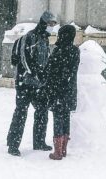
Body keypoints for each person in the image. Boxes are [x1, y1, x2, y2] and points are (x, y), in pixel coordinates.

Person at [6, 10, 58, 156]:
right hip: (25, 82)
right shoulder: (30, 37)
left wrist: (44, 76)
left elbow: (45, 60)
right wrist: (36, 73)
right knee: (21, 113)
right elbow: (24, 59)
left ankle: (39, 141)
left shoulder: (44, 39)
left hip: (38, 84)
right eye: (50, 24)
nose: (52, 27)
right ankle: (13, 144)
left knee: (42, 111)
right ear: (43, 23)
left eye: (54, 24)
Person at [44, 24, 80, 160]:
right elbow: (70, 72)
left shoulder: (59, 51)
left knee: (58, 118)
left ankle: (57, 151)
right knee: (65, 118)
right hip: (70, 91)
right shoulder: (75, 51)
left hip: (58, 90)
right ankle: (64, 149)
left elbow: (52, 72)